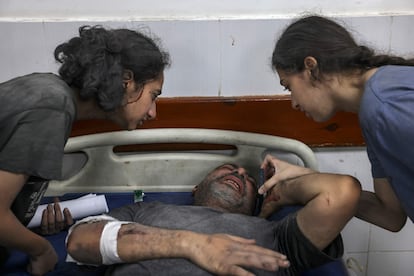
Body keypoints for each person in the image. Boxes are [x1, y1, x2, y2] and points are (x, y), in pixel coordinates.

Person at [0, 24, 170, 275]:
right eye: (153, 95)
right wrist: (41, 249)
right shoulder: (52, 108)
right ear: (127, 82)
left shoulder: (50, 92)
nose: (153, 112)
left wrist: (25, 225)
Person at [66, 162, 361, 275]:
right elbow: (80, 242)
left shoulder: (275, 235)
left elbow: (342, 191)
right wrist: (190, 244)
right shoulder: (146, 210)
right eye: (229, 168)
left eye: (247, 179)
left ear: (256, 203)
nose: (238, 174)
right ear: (197, 188)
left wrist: (285, 189)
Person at [263, 14, 414, 232]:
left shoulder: (386, 106)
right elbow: (390, 215)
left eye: (288, 87)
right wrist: (310, 181)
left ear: (311, 67)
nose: (294, 103)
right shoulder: (373, 109)